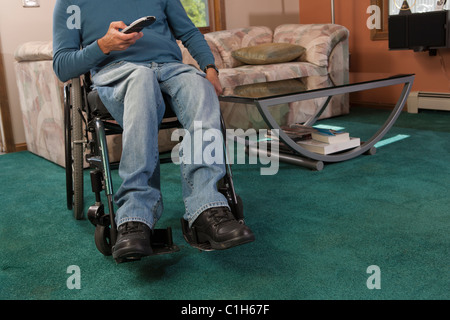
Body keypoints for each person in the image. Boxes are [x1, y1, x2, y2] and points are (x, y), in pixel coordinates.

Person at [53, 0, 254, 262]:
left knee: (199, 86)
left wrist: (210, 69)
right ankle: (135, 216)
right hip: (118, 73)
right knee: (141, 80)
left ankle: (208, 206)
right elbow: (63, 65)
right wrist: (104, 46)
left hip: (170, 68)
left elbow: (190, 33)